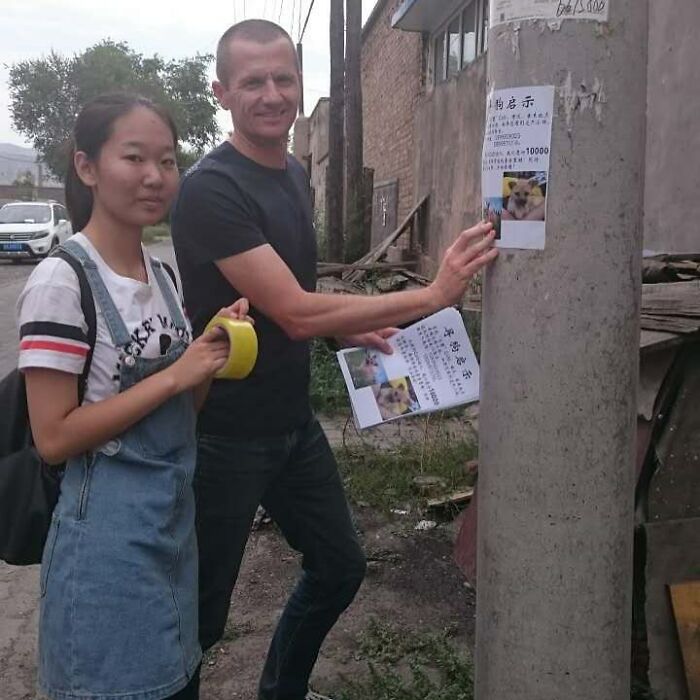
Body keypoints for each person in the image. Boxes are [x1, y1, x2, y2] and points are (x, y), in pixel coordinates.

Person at [170, 19, 498, 700]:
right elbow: (291, 308)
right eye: (252, 81)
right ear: (221, 92)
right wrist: (431, 295)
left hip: (291, 425)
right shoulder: (210, 189)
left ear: (298, 84)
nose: (271, 93)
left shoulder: (291, 173)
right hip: (223, 434)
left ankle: (280, 691)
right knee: (198, 618)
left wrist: (338, 332)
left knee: (339, 567)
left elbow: (290, 295)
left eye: (283, 78)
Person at [18, 93, 250, 700]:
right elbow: (53, 437)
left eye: (168, 161)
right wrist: (174, 374)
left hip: (173, 529)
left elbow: (183, 415)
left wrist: (209, 353)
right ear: (87, 167)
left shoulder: (164, 278)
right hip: (103, 549)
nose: (154, 176)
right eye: (135, 158)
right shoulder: (60, 283)